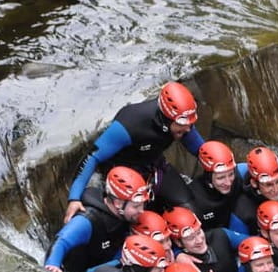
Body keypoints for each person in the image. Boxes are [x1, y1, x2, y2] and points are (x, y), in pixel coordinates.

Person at [65, 81, 203, 222]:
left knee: (192, 213)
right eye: (182, 126)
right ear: (166, 120)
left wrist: (217, 165)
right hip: (125, 180)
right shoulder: (130, 124)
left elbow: (201, 150)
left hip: (154, 169)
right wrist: (74, 198)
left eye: (189, 125)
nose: (188, 130)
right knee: (143, 224)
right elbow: (93, 156)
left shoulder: (183, 125)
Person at [45, 166, 151, 272]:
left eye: (143, 205)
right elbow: (60, 242)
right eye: (136, 207)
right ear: (118, 203)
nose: (142, 211)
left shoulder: (125, 214)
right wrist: (52, 267)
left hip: (106, 266)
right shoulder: (87, 220)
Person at [162, 206, 247, 272]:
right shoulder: (179, 269)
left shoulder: (220, 235)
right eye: (190, 238)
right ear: (178, 242)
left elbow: (255, 243)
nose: (199, 240)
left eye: (199, 232)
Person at [187, 140, 248, 233]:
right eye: (221, 178)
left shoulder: (238, 178)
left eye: (231, 174)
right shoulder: (193, 198)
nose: (228, 182)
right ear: (209, 178)